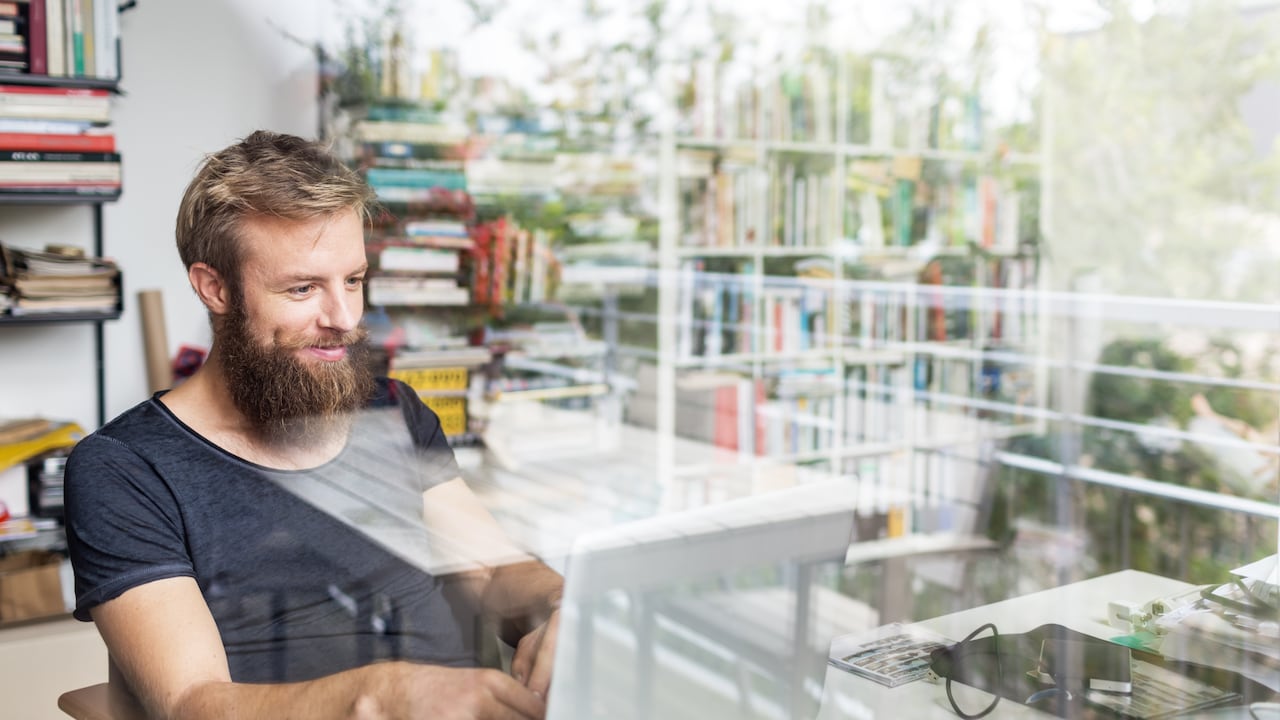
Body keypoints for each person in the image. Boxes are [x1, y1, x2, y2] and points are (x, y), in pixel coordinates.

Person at [64, 130, 562, 720]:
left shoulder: (391, 410)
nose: (345, 318)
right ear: (214, 288)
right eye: (303, 288)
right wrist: (382, 696)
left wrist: (561, 606)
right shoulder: (124, 468)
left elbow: (492, 569)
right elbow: (193, 701)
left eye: (353, 280)